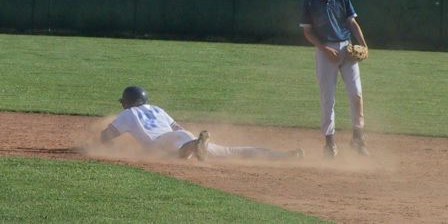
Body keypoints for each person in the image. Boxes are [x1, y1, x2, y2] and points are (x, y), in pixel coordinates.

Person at [100, 86, 304, 161]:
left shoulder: (128, 114)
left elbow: (105, 137)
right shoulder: (157, 109)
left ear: (127, 102)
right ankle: (286, 156)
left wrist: (107, 151)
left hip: (162, 142)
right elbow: (177, 129)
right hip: (183, 135)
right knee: (234, 152)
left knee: (176, 155)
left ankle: (193, 148)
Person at [299, 0, 370, 158]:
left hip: (347, 49)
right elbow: (308, 32)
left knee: (356, 94)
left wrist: (363, 43)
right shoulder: (309, 2)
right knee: (327, 98)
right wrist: (323, 48)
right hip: (325, 51)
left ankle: (358, 138)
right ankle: (330, 143)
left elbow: (352, 22)